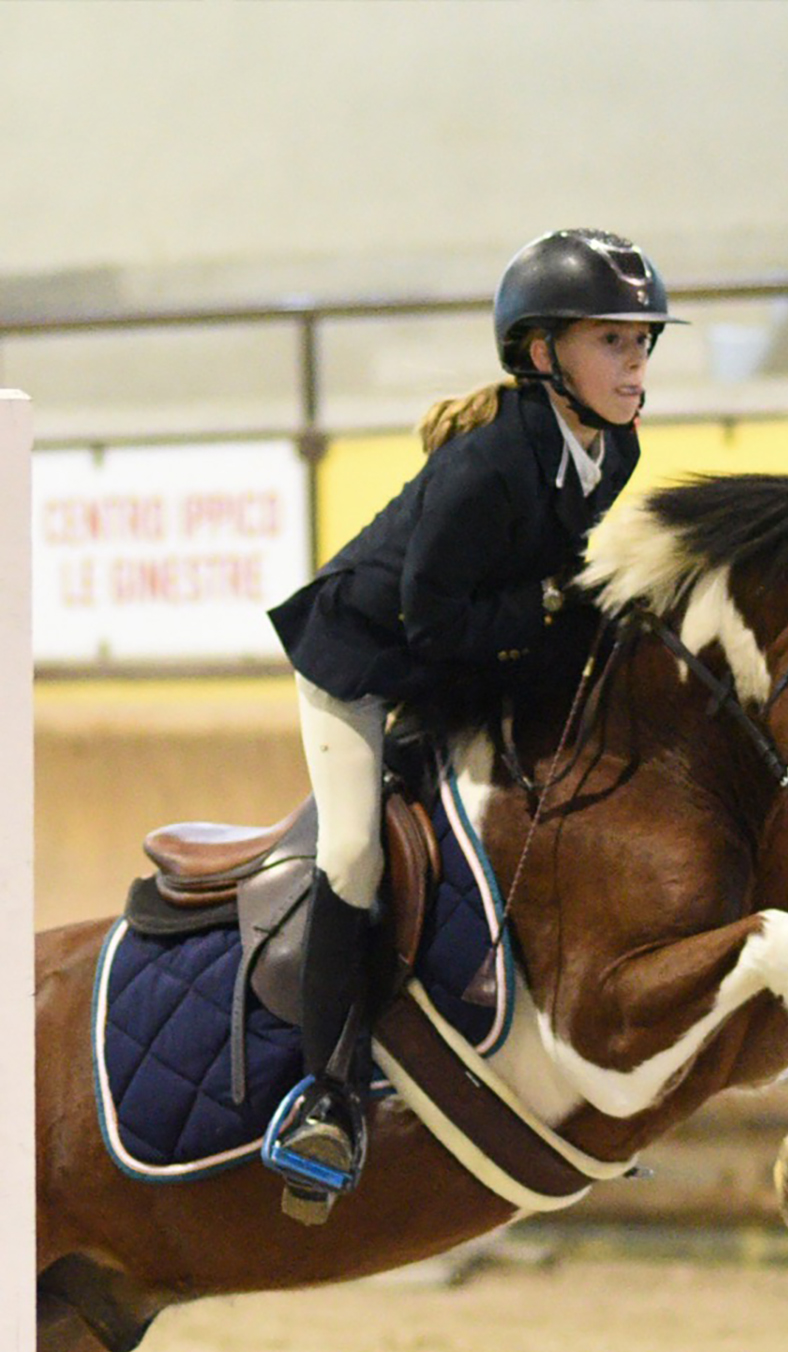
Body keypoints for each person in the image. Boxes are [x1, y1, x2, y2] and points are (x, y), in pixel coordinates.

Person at [262, 228, 683, 1219]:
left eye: (643, 342)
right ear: (546, 357)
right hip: (361, 662)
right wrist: (552, 606)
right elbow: (434, 618)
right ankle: (322, 1095)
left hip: (458, 663)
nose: (636, 363)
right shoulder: (487, 467)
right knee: (358, 853)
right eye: (613, 342)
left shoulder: (613, 448)